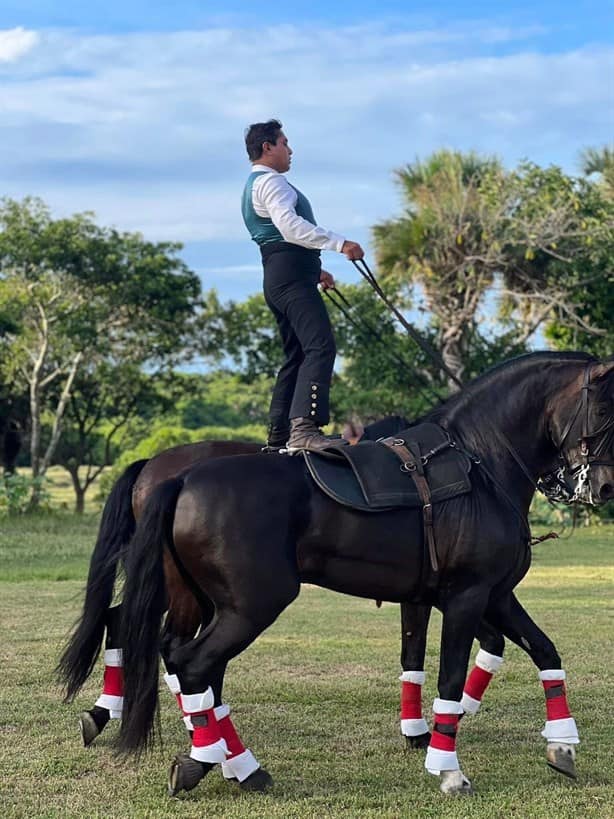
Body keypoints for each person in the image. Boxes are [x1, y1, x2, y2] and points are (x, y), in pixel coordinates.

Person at [241, 119, 364, 452]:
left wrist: (316, 270)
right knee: (320, 346)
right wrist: (340, 244)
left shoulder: (256, 184)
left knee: (296, 355)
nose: (290, 150)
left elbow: (279, 239)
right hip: (291, 279)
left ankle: (279, 434)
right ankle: (305, 430)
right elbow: (291, 227)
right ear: (267, 147)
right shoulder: (272, 182)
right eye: (284, 143)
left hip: (282, 276)